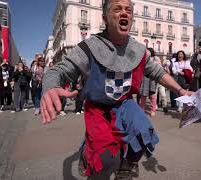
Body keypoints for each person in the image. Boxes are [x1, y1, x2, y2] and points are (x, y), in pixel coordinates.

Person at [40, 0, 192, 179]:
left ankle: (126, 167)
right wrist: (50, 86)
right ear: (105, 18)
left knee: (144, 132)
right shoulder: (89, 47)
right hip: (97, 107)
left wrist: (181, 90)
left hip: (125, 104)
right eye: (117, 9)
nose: (124, 13)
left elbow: (159, 73)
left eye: (128, 10)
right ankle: (86, 153)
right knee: (103, 158)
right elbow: (59, 71)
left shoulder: (138, 49)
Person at [139, 48, 160, 117]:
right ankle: (142, 110)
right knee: (143, 95)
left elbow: (159, 67)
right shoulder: (142, 59)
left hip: (152, 79)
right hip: (144, 79)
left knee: (152, 95)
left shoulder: (155, 59)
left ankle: (153, 110)